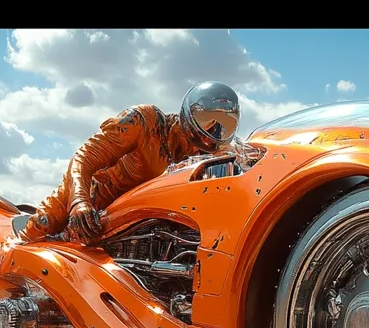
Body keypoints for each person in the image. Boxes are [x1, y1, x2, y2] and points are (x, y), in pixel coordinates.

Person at [17, 81, 241, 243]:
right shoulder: (144, 121)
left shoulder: (212, 153)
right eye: (208, 120)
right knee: (37, 231)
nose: (211, 130)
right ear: (189, 114)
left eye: (222, 125)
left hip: (130, 226)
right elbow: (84, 157)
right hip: (89, 203)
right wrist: (78, 202)